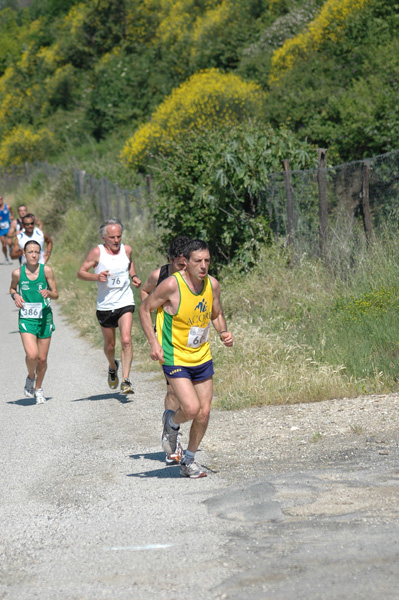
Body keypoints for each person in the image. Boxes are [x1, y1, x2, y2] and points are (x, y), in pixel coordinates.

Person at [139, 239, 233, 478]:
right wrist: (154, 342)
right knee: (190, 408)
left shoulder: (212, 285)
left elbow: (217, 313)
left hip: (201, 356)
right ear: (186, 264)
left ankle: (189, 459)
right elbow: (144, 309)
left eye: (207, 261)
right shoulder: (172, 285)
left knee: (204, 412)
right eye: (198, 261)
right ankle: (171, 423)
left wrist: (223, 331)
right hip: (175, 356)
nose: (203, 266)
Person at [140, 235, 190, 464]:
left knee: (192, 396)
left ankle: (172, 425)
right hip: (168, 341)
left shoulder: (196, 277)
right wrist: (153, 318)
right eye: (180, 264)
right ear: (170, 260)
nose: (185, 268)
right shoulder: (158, 276)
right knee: (173, 391)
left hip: (192, 344)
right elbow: (145, 294)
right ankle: (172, 438)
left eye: (188, 263)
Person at [77, 218, 141, 394]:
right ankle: (113, 367)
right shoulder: (97, 253)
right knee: (110, 346)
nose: (116, 240)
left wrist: (134, 277)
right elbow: (81, 273)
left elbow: (130, 264)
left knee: (126, 339)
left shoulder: (126, 250)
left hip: (125, 301)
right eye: (112, 237)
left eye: (119, 236)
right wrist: (96, 277)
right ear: (103, 237)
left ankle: (126, 380)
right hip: (105, 305)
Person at [9, 240, 58, 404]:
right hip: (27, 318)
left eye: (37, 252)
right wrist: (15, 295)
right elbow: (12, 288)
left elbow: (56, 293)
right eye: (30, 252)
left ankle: (38, 388)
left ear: (41, 253)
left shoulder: (47, 271)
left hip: (45, 317)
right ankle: (31, 377)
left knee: (42, 359)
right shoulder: (17, 273)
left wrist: (48, 293)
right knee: (32, 354)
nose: (34, 255)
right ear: (24, 253)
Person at [0, 194, 13, 263]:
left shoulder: (7, 207)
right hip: (1, 230)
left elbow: (12, 212)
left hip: (8, 228)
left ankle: (11, 249)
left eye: (1, 199)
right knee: (4, 245)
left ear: (2, 200)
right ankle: (6, 257)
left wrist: (11, 216)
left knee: (10, 243)